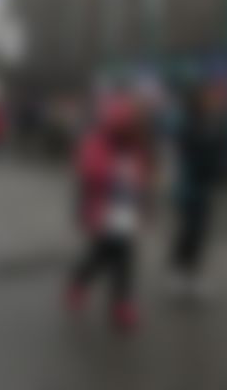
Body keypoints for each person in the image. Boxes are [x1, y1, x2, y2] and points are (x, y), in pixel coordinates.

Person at [65, 94, 154, 332]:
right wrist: (116, 170)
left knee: (124, 258)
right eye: (127, 124)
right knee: (101, 255)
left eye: (133, 124)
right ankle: (79, 284)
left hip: (127, 211)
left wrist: (144, 202)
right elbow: (88, 174)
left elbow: (143, 178)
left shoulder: (138, 146)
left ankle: (121, 304)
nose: (131, 128)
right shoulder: (96, 142)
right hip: (103, 209)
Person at [169, 77, 227, 296]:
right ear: (198, 101)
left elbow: (220, 150)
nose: (213, 101)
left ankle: (191, 274)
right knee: (190, 231)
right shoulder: (191, 123)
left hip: (205, 185)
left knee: (200, 232)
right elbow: (193, 152)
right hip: (191, 185)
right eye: (209, 98)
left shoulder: (213, 122)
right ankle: (180, 274)